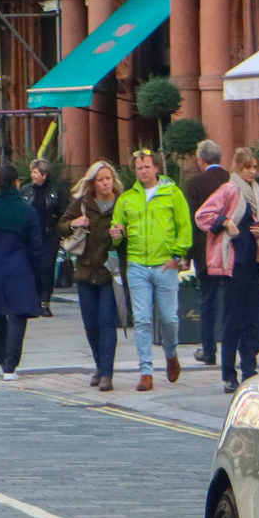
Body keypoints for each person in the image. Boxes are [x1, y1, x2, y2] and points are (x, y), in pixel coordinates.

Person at [194, 147, 259, 393]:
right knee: (232, 321)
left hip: (253, 262)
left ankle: (249, 370)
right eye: (247, 167)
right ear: (237, 168)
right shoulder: (229, 190)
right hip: (231, 264)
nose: (252, 172)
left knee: (251, 319)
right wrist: (225, 223)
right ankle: (229, 374)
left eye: (254, 167)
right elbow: (203, 215)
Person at [111, 147, 191, 391]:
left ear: (156, 168)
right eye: (139, 168)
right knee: (142, 319)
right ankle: (145, 371)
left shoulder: (172, 193)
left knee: (169, 318)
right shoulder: (126, 199)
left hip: (165, 264)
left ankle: (170, 353)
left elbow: (184, 227)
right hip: (137, 265)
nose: (143, 171)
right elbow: (117, 235)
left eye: (147, 166)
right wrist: (116, 234)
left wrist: (177, 256)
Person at [0, 165, 44, 379]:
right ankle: (10, 365)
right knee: (18, 316)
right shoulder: (26, 211)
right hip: (19, 270)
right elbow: (36, 247)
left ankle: (0, 358)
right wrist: (36, 271)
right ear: (16, 183)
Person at [62, 160, 124, 391]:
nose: (106, 182)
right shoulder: (84, 204)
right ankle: (100, 365)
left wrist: (122, 233)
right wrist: (73, 223)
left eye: (108, 178)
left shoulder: (122, 203)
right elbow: (61, 225)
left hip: (110, 272)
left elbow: (132, 230)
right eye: (101, 179)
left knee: (106, 321)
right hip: (86, 272)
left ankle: (107, 373)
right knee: (91, 324)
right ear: (93, 183)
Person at [181, 140, 231, 366]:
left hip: (206, 253)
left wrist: (188, 255)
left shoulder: (194, 184)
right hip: (231, 250)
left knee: (208, 302)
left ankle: (209, 350)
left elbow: (192, 221)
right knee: (232, 302)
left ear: (201, 160)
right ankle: (233, 347)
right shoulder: (232, 180)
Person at [23, 158, 67, 318]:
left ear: (43, 174)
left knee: (47, 269)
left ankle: (45, 302)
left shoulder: (55, 191)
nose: (32, 175)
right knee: (33, 269)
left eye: (35, 172)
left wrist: (62, 233)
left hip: (50, 236)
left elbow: (63, 213)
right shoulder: (25, 191)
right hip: (30, 238)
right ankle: (34, 301)